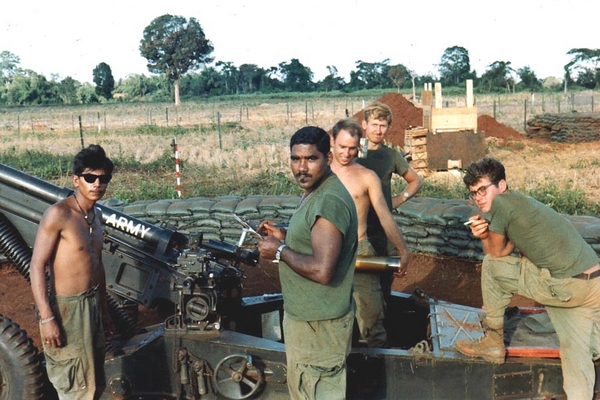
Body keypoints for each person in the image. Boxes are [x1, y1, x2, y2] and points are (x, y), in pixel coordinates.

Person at [456, 156, 600, 400]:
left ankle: (492, 340)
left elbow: (496, 255)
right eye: (474, 193)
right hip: (592, 285)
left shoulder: (502, 204)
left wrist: (483, 237)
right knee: (576, 353)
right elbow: (516, 249)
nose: (478, 198)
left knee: (491, 266)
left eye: (483, 189)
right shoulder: (522, 205)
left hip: (566, 286)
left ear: (501, 186)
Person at [258, 126, 358, 400]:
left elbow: (323, 270)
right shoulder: (317, 191)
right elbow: (317, 242)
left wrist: (279, 251)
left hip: (319, 325)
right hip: (311, 320)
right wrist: (285, 235)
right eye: (295, 159)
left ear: (328, 158)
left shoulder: (329, 200)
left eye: (311, 159)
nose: (301, 167)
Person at [30, 144, 115, 400]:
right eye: (90, 178)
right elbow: (37, 266)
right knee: (73, 381)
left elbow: (97, 266)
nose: (97, 184)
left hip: (92, 305)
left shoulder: (97, 216)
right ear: (76, 180)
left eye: (103, 179)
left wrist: (104, 311)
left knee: (96, 379)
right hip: (66, 309)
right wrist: (47, 318)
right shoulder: (59, 214)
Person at [330, 118, 409, 348]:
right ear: (332, 141)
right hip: (328, 252)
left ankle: (379, 375)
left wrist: (402, 250)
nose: (346, 153)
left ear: (359, 146)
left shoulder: (367, 176)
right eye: (342, 146)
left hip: (360, 250)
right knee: (332, 319)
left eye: (352, 148)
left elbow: (385, 216)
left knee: (371, 319)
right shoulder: (321, 175)